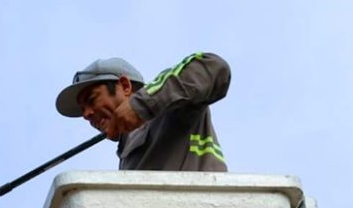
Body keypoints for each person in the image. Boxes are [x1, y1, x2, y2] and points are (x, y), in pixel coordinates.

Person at [54, 54, 231, 172]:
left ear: (125, 86)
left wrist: (141, 106)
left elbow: (214, 67)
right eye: (82, 110)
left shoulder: (171, 109)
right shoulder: (127, 158)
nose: (86, 114)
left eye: (92, 99)